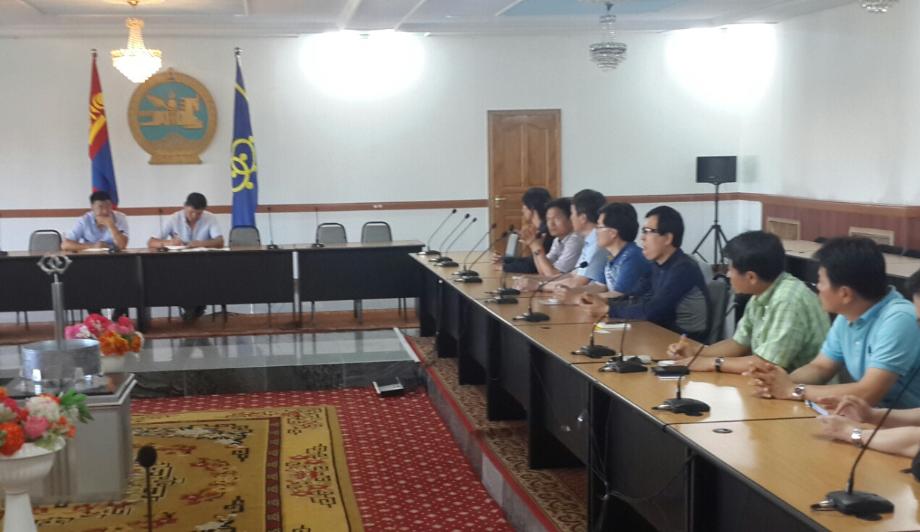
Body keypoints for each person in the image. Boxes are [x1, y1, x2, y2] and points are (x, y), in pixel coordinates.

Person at [748, 238, 920, 407]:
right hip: (873, 417)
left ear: (845, 294)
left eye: (821, 281)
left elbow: (868, 393)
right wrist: (776, 382)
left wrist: (793, 390)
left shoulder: (899, 318)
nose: (817, 287)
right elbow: (820, 368)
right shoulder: (849, 313)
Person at [667, 231, 829, 374]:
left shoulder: (788, 300)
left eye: (730, 269)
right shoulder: (762, 291)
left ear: (751, 277)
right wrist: (696, 353)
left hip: (806, 391)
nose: (727, 275)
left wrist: (711, 363)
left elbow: (767, 364)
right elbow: (738, 344)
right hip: (774, 386)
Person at [816, 269, 920, 457]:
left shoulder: (899, 317)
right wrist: (871, 415)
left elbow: (916, 443)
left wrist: (853, 433)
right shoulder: (847, 317)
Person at [607, 206, 709, 341]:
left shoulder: (684, 269)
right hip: (659, 334)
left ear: (667, 238)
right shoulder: (656, 265)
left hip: (684, 343)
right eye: (643, 231)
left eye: (648, 231)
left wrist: (608, 309)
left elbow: (653, 312)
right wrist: (604, 302)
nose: (642, 237)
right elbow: (633, 296)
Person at [579, 202, 651, 312]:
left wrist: (584, 298)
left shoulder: (632, 256)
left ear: (613, 233)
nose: (596, 232)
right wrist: (573, 292)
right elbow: (600, 286)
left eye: (599, 227)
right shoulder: (610, 255)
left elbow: (618, 295)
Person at [542, 189, 607, 294]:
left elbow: (578, 283)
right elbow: (572, 276)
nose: (571, 218)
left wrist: (540, 286)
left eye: (572, 213)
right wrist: (538, 282)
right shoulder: (589, 241)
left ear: (583, 218)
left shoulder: (597, 244)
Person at [497, 187, 553, 273]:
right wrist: (505, 259)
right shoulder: (541, 228)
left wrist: (504, 267)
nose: (522, 210)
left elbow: (533, 267)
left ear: (531, 208)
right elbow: (531, 260)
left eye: (524, 206)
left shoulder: (546, 232)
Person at [525, 197, 584, 276]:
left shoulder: (575, 240)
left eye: (556, 219)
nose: (551, 224)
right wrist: (534, 247)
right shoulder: (557, 240)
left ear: (570, 219)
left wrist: (538, 249)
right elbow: (543, 271)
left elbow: (553, 275)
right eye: (548, 219)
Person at [148, 192, 224, 250]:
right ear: (184, 206)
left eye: (199, 213)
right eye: (191, 212)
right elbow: (151, 242)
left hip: (204, 259)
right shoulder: (173, 219)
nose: (194, 216)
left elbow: (220, 241)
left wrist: (200, 244)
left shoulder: (210, 218)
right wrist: (170, 243)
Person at [62, 191, 129, 252]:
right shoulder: (84, 220)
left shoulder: (120, 218)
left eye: (108, 206)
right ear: (92, 207)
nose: (105, 211)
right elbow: (65, 245)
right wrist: (93, 246)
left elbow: (122, 246)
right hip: (89, 257)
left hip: (114, 257)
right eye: (101, 207)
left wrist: (111, 225)